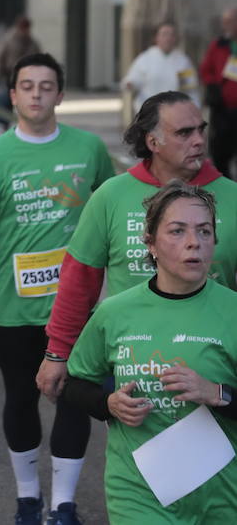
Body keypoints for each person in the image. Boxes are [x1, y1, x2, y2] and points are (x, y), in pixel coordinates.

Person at [0, 52, 115, 525]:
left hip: (79, 310)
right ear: (12, 96)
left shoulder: (89, 150)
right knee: (20, 398)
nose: (36, 94)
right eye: (27, 86)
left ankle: (64, 505)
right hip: (14, 311)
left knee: (74, 400)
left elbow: (116, 219)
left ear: (60, 95)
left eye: (46, 86)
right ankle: (28, 497)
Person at [39, 92, 237, 399]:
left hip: (212, 368)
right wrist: (57, 353)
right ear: (152, 142)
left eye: (201, 129)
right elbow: (79, 280)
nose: (199, 140)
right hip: (131, 368)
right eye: (184, 132)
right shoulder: (111, 195)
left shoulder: (233, 198)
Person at [63, 182, 237, 524]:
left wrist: (216, 393)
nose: (194, 242)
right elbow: (73, 385)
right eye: (177, 231)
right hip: (138, 493)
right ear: (150, 243)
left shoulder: (232, 311)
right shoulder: (114, 313)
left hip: (220, 494)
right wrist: (107, 403)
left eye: (204, 231)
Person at [120, 20, 199, 115]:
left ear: (176, 38)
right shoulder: (145, 58)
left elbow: (189, 89)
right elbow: (133, 79)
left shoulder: (183, 61)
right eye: (164, 34)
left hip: (175, 114)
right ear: (156, 38)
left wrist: (195, 109)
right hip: (149, 112)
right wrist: (130, 84)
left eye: (172, 35)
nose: (168, 38)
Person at [200, 7, 237, 178]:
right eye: (225, 22)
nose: (226, 25)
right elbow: (205, 69)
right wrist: (213, 86)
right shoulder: (219, 44)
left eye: (230, 21)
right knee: (220, 152)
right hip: (223, 109)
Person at [0, 18, 42, 129]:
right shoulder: (9, 40)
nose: (25, 31)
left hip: (28, 78)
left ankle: (24, 125)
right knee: (7, 102)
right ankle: (6, 125)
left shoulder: (32, 42)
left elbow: (39, 59)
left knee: (26, 102)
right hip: (10, 76)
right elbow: (1, 58)